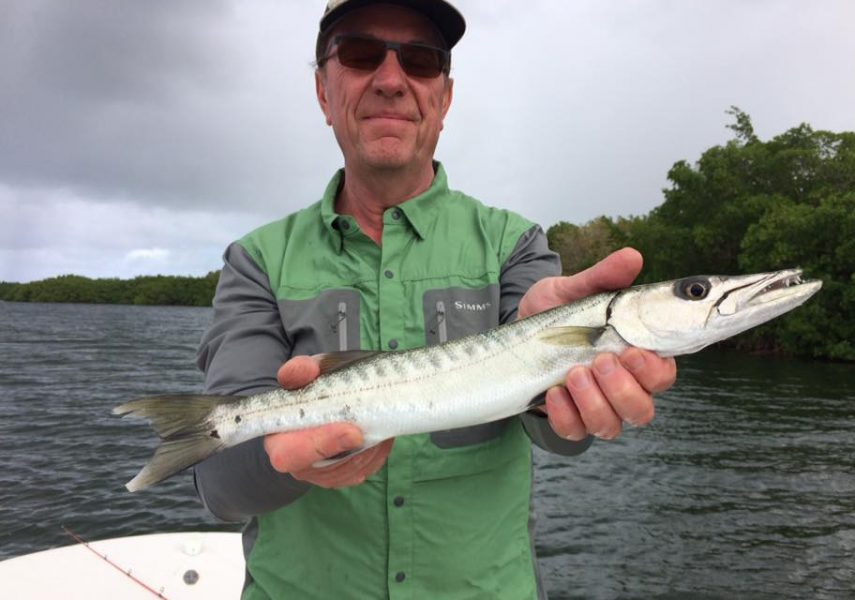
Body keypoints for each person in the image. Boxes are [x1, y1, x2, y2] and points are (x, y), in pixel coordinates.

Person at [195, 1, 677, 598]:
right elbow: (220, 487)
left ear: (444, 98)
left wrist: (565, 387)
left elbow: (560, 437)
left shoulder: (514, 244)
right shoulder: (256, 261)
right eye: (361, 53)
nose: (392, 80)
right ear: (323, 89)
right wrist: (288, 458)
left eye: (421, 60)